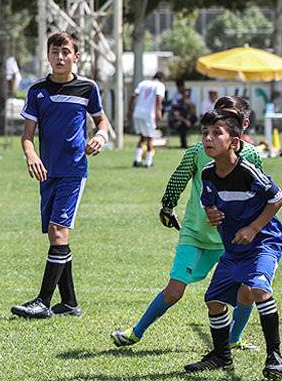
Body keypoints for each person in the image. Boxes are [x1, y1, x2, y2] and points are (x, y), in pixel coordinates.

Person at [111, 96, 263, 350]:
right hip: (196, 234)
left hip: (231, 238)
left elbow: (257, 194)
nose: (219, 124)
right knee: (174, 291)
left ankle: (234, 340)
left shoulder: (252, 156)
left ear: (242, 125)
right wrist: (167, 206)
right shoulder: (197, 151)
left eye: (228, 119)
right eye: (217, 116)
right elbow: (178, 179)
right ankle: (135, 332)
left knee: (245, 292)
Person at [10, 31, 112, 319]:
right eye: (55, 52)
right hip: (47, 173)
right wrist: (31, 155)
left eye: (66, 52)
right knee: (57, 238)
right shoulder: (37, 91)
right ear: (48, 55)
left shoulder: (87, 88)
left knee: (58, 232)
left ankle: (43, 301)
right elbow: (28, 136)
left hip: (73, 171)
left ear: (76, 56)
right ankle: (68, 303)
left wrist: (101, 137)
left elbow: (101, 120)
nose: (60, 57)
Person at [184, 109, 282, 379]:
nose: (208, 138)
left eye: (217, 133)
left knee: (258, 289)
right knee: (214, 300)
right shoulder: (207, 173)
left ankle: (274, 356)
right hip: (234, 249)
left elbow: (276, 198)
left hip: (264, 243)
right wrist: (211, 213)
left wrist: (253, 227)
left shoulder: (247, 171)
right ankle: (221, 356)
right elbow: (209, 202)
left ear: (234, 142)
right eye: (205, 133)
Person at [129, 71, 165, 168]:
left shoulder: (143, 83)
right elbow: (158, 98)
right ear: (162, 79)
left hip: (138, 112)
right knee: (150, 137)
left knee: (142, 137)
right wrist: (159, 111)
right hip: (149, 114)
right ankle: (149, 162)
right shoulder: (160, 85)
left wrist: (130, 109)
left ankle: (137, 160)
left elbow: (133, 96)